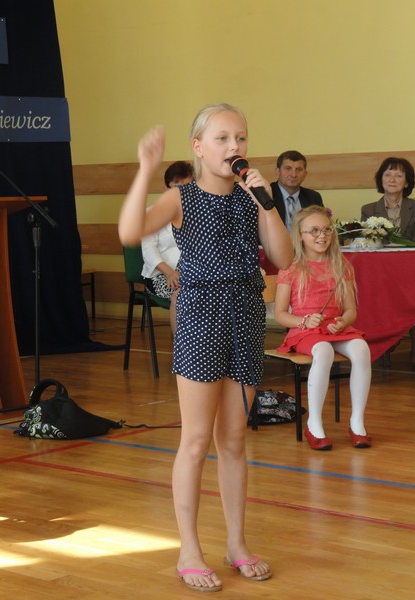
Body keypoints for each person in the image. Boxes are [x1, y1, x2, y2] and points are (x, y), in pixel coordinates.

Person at [118, 103, 293, 592]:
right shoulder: (182, 196)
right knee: (196, 439)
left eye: (241, 137)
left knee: (234, 440)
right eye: (222, 138)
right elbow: (130, 232)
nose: (234, 146)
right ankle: (189, 550)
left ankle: (237, 543)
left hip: (245, 315)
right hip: (200, 317)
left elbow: (283, 258)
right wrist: (145, 169)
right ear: (198, 147)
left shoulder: (251, 198)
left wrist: (266, 202)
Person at [274, 205, 372, 451]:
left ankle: (357, 423)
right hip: (304, 331)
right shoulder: (291, 267)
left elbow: (351, 310)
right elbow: (280, 315)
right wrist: (304, 321)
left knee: (361, 349)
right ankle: (314, 424)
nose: (322, 235)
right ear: (300, 236)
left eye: (327, 229)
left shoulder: (341, 265)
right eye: (314, 230)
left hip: (335, 329)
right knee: (324, 350)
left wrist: (343, 321)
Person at [361, 157, 415, 371]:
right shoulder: (368, 209)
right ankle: (388, 337)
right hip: (380, 271)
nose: (392, 179)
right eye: (388, 174)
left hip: (410, 268)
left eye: (399, 175)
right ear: (380, 179)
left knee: (410, 290)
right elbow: (369, 243)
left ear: (407, 182)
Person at [141, 161, 193, 332]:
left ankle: (209, 344)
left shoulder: (199, 213)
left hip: (192, 271)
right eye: (176, 187)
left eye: (187, 187)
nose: (182, 193)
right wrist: (170, 272)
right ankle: (181, 346)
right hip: (162, 274)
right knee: (182, 294)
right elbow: (148, 250)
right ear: (165, 188)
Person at [270, 150, 323, 232]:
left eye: (299, 170)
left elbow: (320, 228)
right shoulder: (267, 195)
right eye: (288, 169)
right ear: (278, 171)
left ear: (305, 174)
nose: (293, 174)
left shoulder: (313, 197)